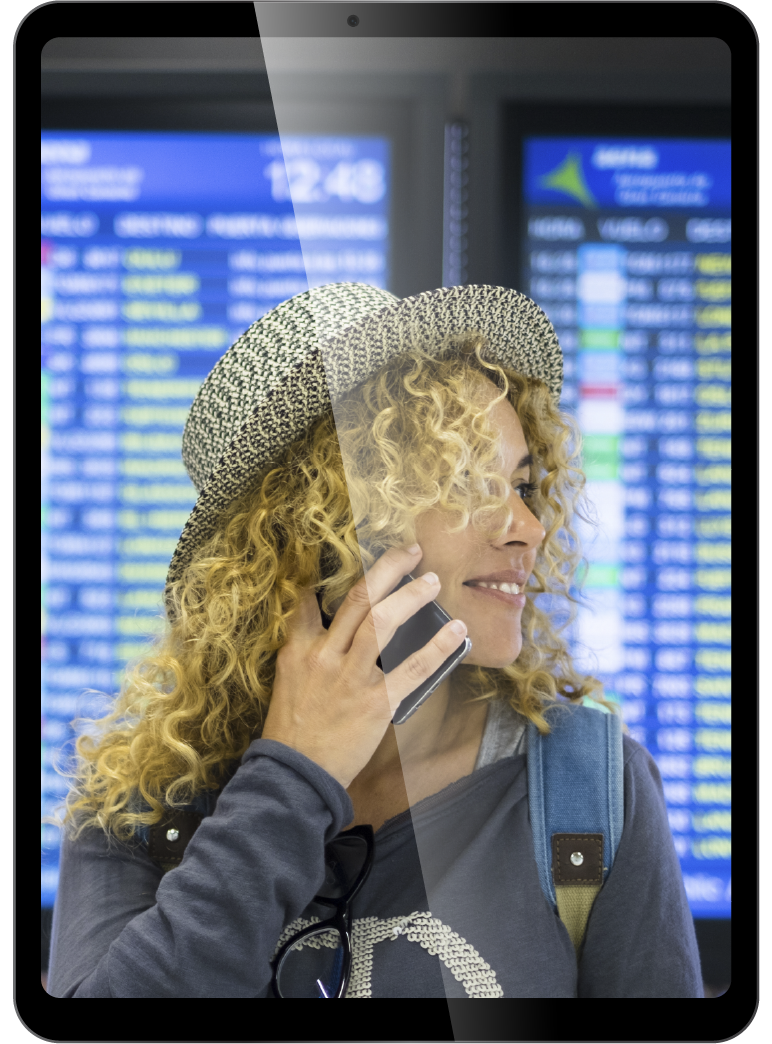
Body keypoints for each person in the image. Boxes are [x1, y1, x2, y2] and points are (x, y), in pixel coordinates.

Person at [47, 282, 703, 998]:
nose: (529, 528)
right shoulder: (142, 804)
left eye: (520, 485)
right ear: (324, 529)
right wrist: (295, 774)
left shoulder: (590, 793)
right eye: (466, 486)